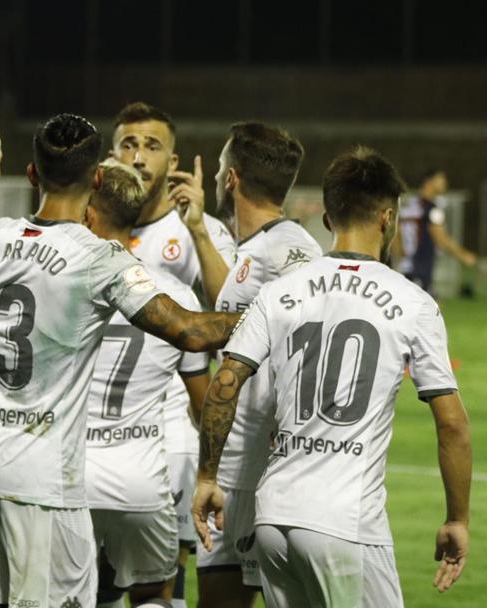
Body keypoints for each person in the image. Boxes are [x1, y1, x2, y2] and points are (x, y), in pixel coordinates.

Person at [0, 114, 240, 608]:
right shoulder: (98, 258)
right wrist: (262, 314)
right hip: (43, 476)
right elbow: (188, 330)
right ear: (97, 177)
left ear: (32, 175)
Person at [193, 147, 471, 607]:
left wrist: (207, 476)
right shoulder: (412, 303)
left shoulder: (279, 292)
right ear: (387, 218)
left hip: (273, 520)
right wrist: (457, 519)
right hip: (347, 524)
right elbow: (453, 424)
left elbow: (225, 383)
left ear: (326, 219)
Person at [185, 123, 320, 608]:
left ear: (231, 178)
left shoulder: (285, 251)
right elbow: (240, 311)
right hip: (255, 462)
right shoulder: (271, 248)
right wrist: (200, 228)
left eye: (221, 165)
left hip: (250, 469)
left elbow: (298, 339)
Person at [111, 102, 237, 608]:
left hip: (170, 425)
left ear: (173, 160)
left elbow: (231, 308)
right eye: (128, 144)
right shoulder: (90, 224)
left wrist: (201, 230)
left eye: (152, 146)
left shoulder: (195, 229)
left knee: (163, 567)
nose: (138, 156)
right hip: (97, 421)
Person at [83, 158, 211, 608]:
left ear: (87, 212)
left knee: (68, 594)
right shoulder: (175, 296)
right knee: (155, 592)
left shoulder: (61, 284)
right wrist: (210, 472)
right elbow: (204, 405)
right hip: (137, 477)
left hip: (65, 475)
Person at [396, 169, 478, 294]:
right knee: (432, 307)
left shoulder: (411, 205)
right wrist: (464, 255)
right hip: (421, 266)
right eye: (441, 180)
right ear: (429, 182)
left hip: (406, 266)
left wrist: (400, 253)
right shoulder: (432, 209)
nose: (445, 183)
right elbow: (441, 238)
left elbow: (397, 232)